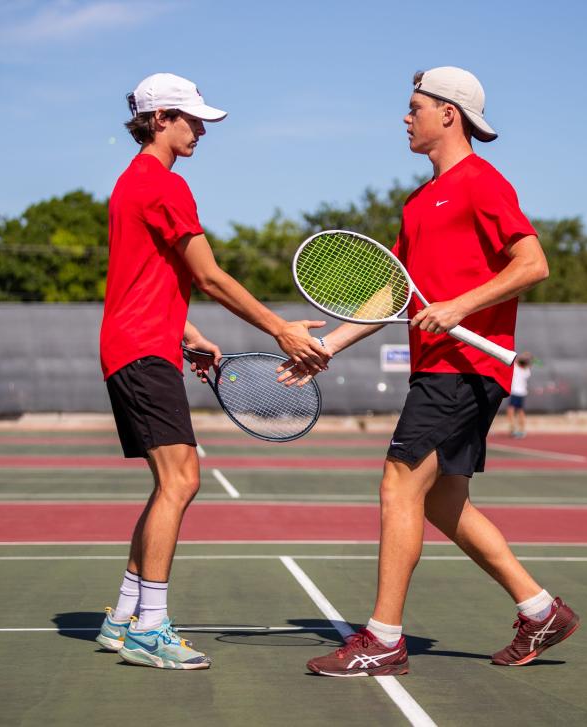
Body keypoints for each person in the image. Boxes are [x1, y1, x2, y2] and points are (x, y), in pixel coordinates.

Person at [301, 67, 579, 676]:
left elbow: (532, 263)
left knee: (400, 482)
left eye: (414, 107)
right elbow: (393, 297)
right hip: (439, 368)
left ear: (449, 113)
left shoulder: (482, 183)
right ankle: (540, 611)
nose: (405, 117)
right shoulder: (419, 202)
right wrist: (330, 345)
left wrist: (460, 304)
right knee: (442, 502)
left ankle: (383, 639)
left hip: (464, 367)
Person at [96, 73, 330, 670]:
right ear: (158, 120)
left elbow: (143, 280)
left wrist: (188, 334)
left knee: (168, 483)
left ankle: (123, 617)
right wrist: (280, 328)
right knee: (181, 481)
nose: (201, 129)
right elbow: (210, 277)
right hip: (141, 351)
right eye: (190, 118)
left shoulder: (128, 185)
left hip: (138, 344)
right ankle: (150, 630)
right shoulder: (166, 187)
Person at [506, 352, 533, 438]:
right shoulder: (527, 371)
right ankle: (521, 430)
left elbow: (516, 360)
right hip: (522, 393)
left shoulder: (516, 368)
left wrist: (524, 355)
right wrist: (528, 357)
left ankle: (513, 429)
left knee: (511, 411)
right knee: (520, 411)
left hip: (515, 392)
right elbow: (525, 362)